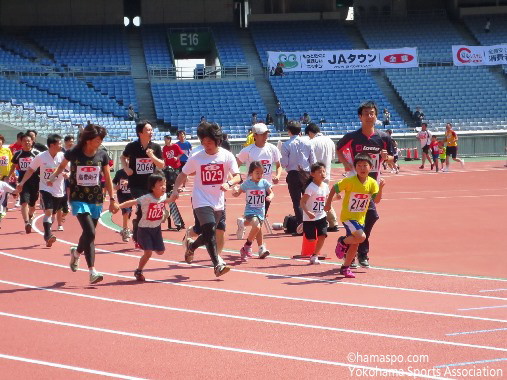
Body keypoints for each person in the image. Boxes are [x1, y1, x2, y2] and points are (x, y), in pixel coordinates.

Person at [168, 121, 241, 277]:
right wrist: (175, 190)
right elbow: (183, 174)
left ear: (217, 141)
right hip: (200, 199)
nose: (206, 145)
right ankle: (217, 264)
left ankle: (192, 247)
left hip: (218, 200)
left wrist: (229, 183)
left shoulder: (227, 156)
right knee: (209, 228)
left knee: (210, 233)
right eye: (203, 142)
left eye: (209, 142)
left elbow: (238, 176)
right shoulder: (197, 156)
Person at [48, 124, 117, 284]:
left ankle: (76, 253)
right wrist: (54, 176)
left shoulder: (102, 155)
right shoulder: (74, 153)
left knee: (88, 234)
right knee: (90, 233)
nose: (100, 142)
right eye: (98, 139)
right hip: (78, 198)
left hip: (96, 199)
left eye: (101, 140)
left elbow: (107, 177)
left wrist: (112, 199)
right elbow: (62, 166)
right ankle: (92, 271)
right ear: (88, 140)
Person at [336, 100, 394, 268]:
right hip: (355, 185)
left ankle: (355, 249)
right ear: (360, 117)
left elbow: (392, 160)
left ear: (376, 116)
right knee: (356, 217)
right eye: (366, 114)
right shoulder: (352, 137)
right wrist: (346, 164)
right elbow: (339, 149)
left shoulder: (383, 138)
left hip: (371, 185)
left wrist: (387, 158)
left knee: (370, 217)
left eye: (372, 113)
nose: (369, 116)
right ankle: (357, 255)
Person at [326, 154, 385, 278]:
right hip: (348, 217)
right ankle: (342, 241)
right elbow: (335, 188)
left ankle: (345, 268)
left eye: (365, 165)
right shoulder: (349, 181)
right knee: (361, 237)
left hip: (360, 218)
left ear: (371, 167)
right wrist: (328, 203)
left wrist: (381, 188)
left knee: (356, 243)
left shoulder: (373, 183)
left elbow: (377, 200)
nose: (362, 168)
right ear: (355, 167)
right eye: (359, 166)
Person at [116, 172, 170, 282]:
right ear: (152, 187)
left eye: (164, 183)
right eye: (160, 185)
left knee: (160, 252)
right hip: (144, 229)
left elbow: (169, 199)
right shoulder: (147, 198)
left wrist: (175, 195)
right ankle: (139, 271)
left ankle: (144, 243)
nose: (163, 187)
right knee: (148, 252)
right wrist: (119, 206)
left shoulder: (164, 196)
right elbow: (133, 201)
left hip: (156, 229)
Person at [17, 134, 67, 247]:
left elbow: (70, 170)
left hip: (58, 190)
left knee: (52, 215)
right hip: (45, 188)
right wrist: (22, 182)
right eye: (60, 143)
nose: (61, 145)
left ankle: (47, 232)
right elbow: (30, 170)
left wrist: (67, 174)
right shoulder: (41, 156)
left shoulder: (62, 156)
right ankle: (48, 236)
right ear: (52, 145)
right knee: (48, 211)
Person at [120, 121, 165, 248]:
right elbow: (122, 158)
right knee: (143, 206)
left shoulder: (155, 147)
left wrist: (151, 156)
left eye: (152, 130)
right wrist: (126, 168)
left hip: (151, 184)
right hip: (136, 184)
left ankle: (139, 231)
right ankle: (139, 236)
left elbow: (161, 165)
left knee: (147, 210)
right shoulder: (132, 146)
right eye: (148, 130)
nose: (151, 132)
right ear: (140, 133)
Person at [236, 123, 282, 241]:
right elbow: (236, 165)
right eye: (262, 134)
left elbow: (279, 165)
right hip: (252, 188)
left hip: (266, 187)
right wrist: (237, 178)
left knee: (259, 217)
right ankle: (256, 245)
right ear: (255, 135)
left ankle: (243, 224)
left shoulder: (272, 149)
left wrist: (277, 175)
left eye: (267, 133)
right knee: (258, 217)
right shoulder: (247, 150)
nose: (265, 136)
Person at [233, 161, 273, 260]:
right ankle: (247, 245)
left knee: (257, 228)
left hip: (261, 211)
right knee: (257, 226)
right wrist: (235, 190)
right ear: (251, 173)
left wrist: (270, 197)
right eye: (257, 173)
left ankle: (260, 249)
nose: (259, 175)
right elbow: (237, 193)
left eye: (261, 173)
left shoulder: (264, 183)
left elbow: (271, 193)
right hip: (250, 211)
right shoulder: (247, 184)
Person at [280, 120, 316, 233]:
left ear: (289, 131)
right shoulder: (308, 143)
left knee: (297, 202)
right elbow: (313, 161)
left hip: (293, 174)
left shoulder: (286, 144)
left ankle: (301, 227)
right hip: (306, 173)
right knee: (309, 200)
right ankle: (312, 225)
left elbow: (284, 163)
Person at [305, 123, 339, 232]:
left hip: (316, 174)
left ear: (310, 132)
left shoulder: (312, 142)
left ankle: (329, 221)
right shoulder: (329, 141)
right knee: (325, 198)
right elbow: (333, 157)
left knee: (318, 198)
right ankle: (332, 222)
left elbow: (309, 158)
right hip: (326, 172)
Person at [10, 133, 41, 233]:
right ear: (21, 142)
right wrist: (10, 175)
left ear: (32, 142)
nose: (27, 142)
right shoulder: (18, 154)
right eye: (24, 141)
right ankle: (26, 222)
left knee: (32, 204)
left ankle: (30, 216)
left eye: (29, 141)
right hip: (23, 182)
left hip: (35, 181)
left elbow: (43, 166)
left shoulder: (37, 154)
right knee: (24, 202)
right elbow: (14, 166)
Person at [300, 162, 329, 265]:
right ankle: (303, 226)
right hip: (309, 217)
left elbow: (326, 200)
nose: (323, 174)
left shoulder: (325, 186)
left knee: (323, 235)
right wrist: (308, 212)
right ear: (313, 174)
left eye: (324, 171)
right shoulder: (310, 188)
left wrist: (334, 198)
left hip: (321, 216)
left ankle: (315, 255)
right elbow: (302, 202)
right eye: (319, 172)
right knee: (311, 239)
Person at [112, 167, 133, 242]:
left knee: (128, 212)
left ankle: (126, 227)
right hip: (122, 195)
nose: (127, 161)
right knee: (126, 211)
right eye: (126, 159)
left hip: (132, 195)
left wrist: (128, 183)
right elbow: (114, 182)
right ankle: (125, 230)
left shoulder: (133, 172)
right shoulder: (119, 172)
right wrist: (115, 186)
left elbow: (138, 182)